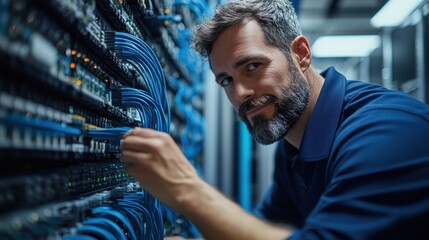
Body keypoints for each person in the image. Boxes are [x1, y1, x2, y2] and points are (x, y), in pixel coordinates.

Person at [120, 0, 429, 239]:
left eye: (252, 66)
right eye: (226, 80)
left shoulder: (388, 134)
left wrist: (185, 188)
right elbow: (264, 228)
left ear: (301, 53)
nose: (240, 92)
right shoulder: (296, 141)